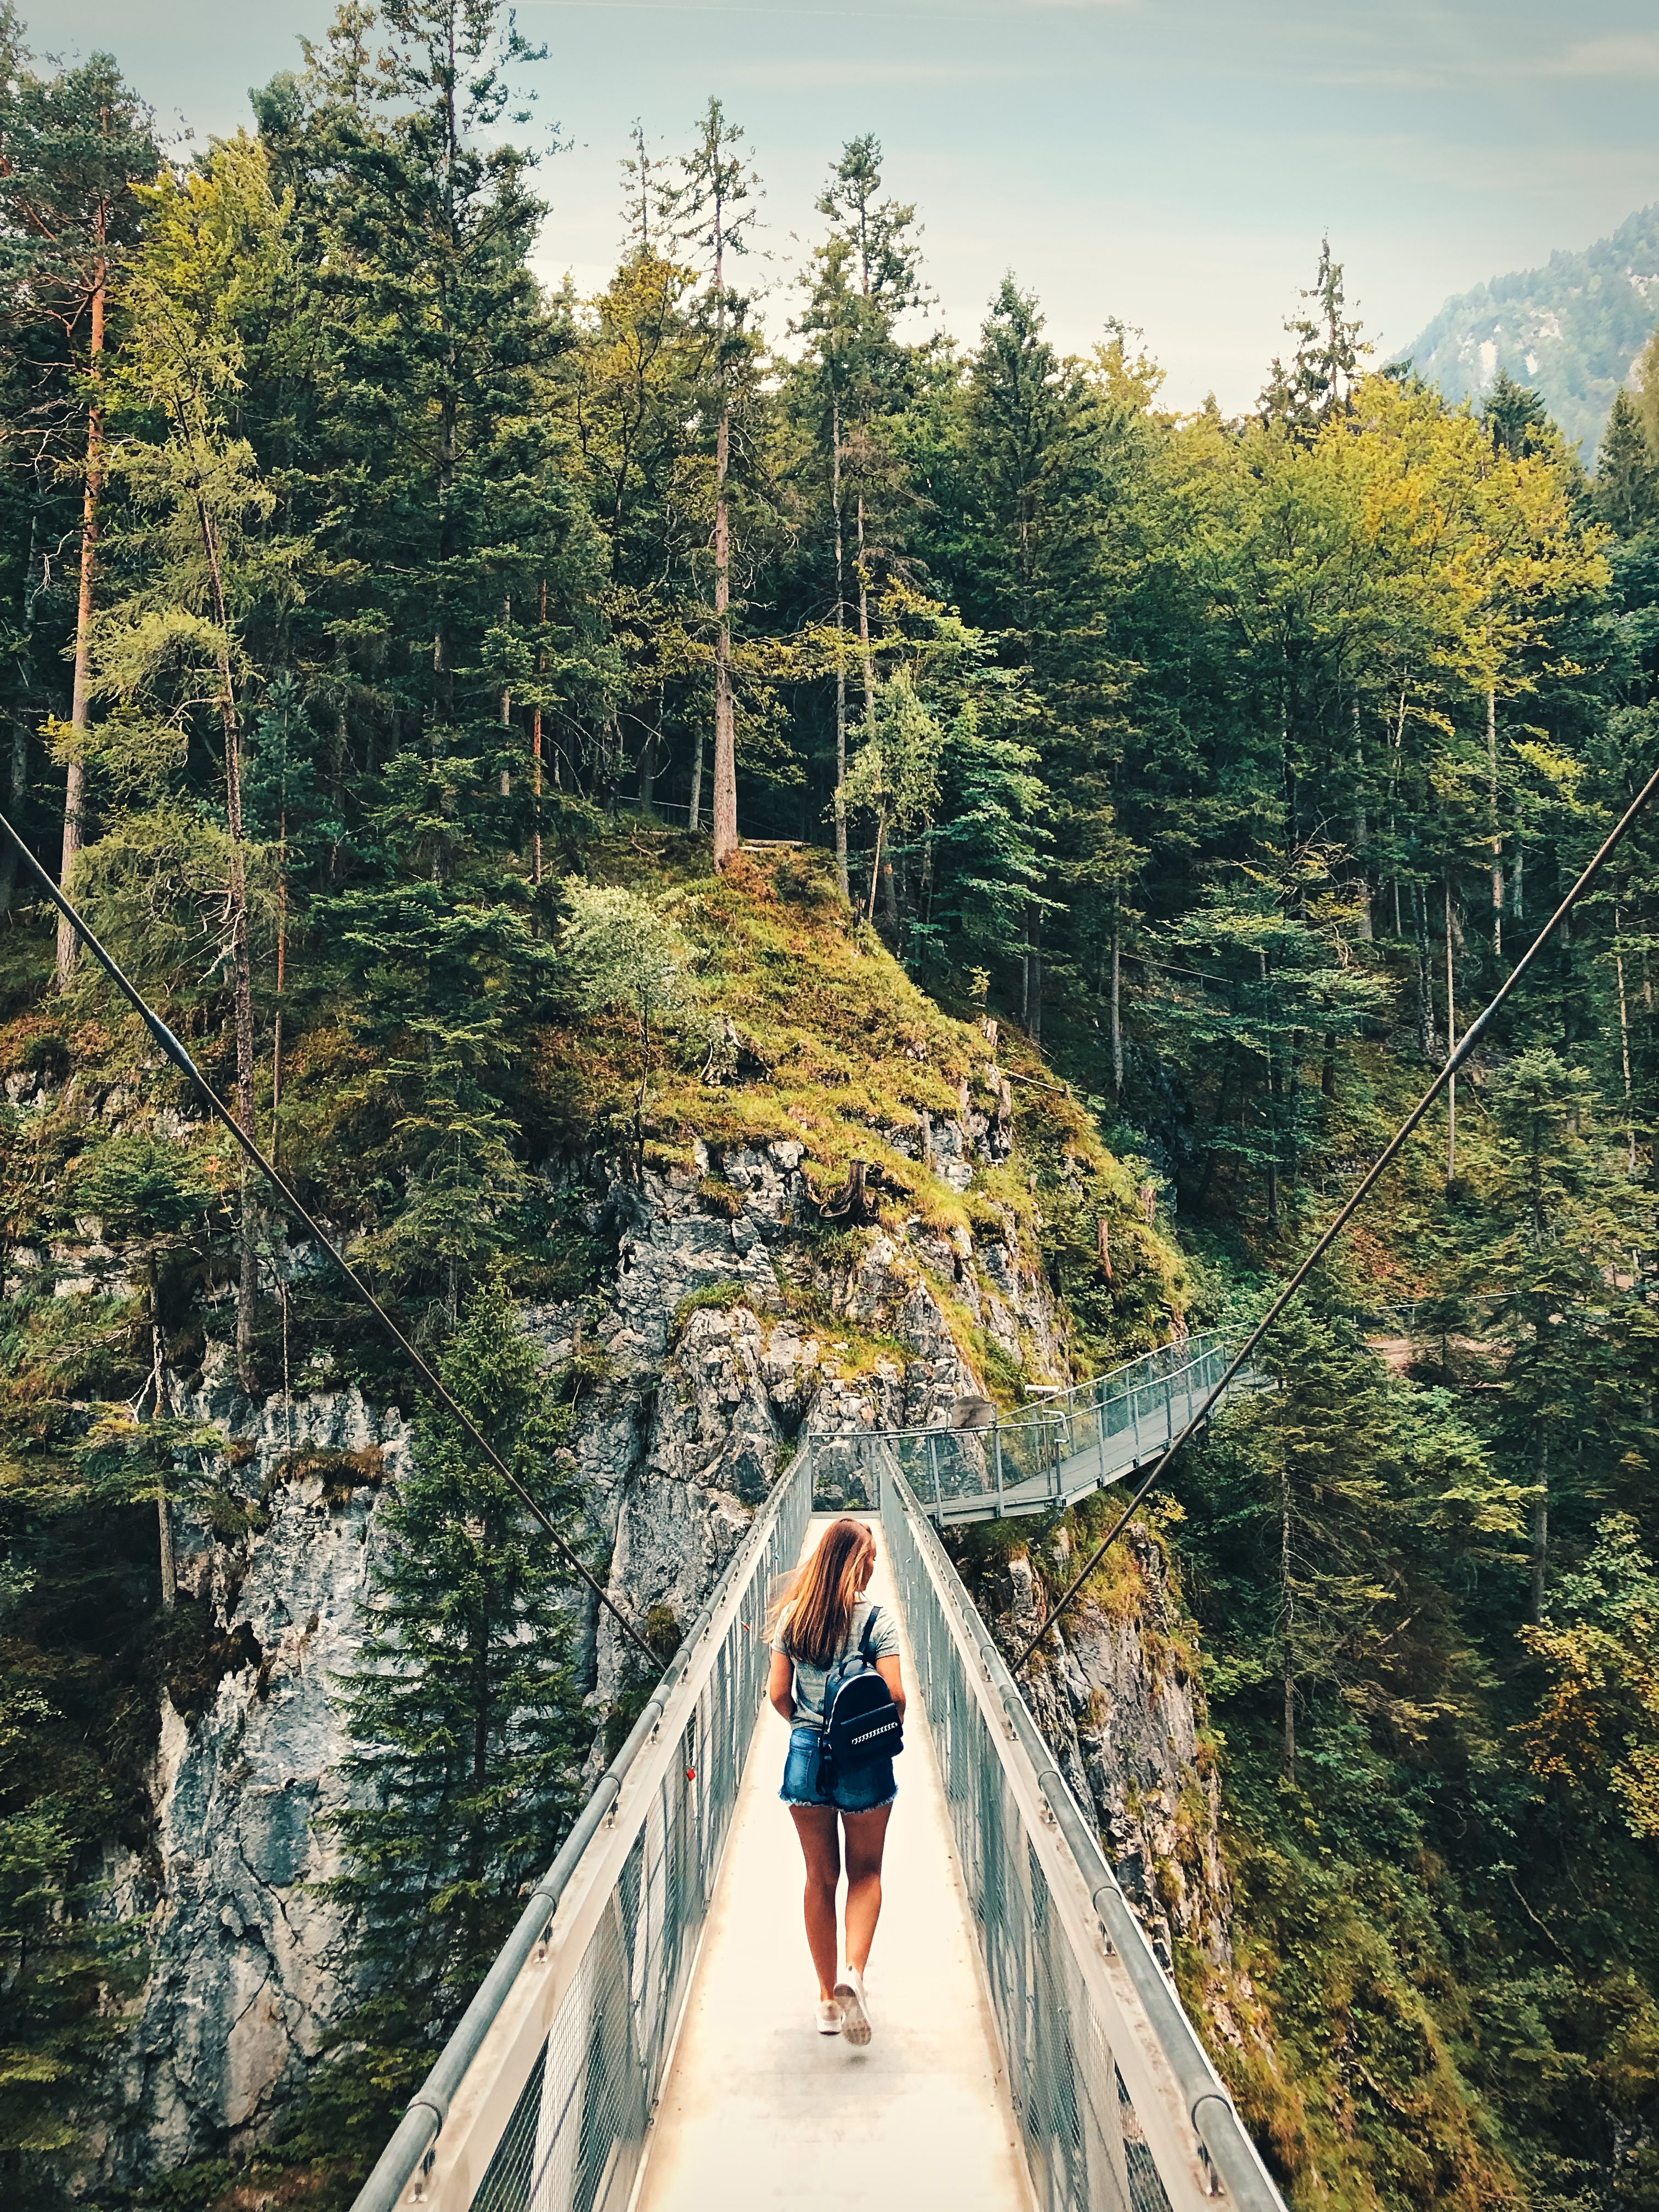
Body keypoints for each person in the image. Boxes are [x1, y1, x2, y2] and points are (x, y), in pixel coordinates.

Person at [768, 1516, 904, 2044]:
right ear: (857, 1564)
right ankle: (853, 1973)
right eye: (869, 1562)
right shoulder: (879, 1622)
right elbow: (895, 1698)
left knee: (819, 1878)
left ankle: (826, 2001)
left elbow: (779, 1695)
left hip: (806, 1755)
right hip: (861, 1758)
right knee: (865, 1872)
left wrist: (807, 1728)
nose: (872, 1571)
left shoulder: (793, 1620)